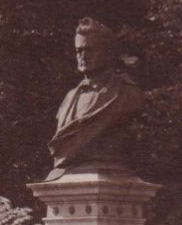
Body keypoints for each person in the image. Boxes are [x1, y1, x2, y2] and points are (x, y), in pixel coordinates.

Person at [46, 18, 143, 180]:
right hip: (68, 173)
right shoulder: (69, 97)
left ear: (108, 53)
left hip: (107, 168)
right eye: (79, 51)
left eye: (90, 50)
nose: (83, 56)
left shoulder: (127, 94)